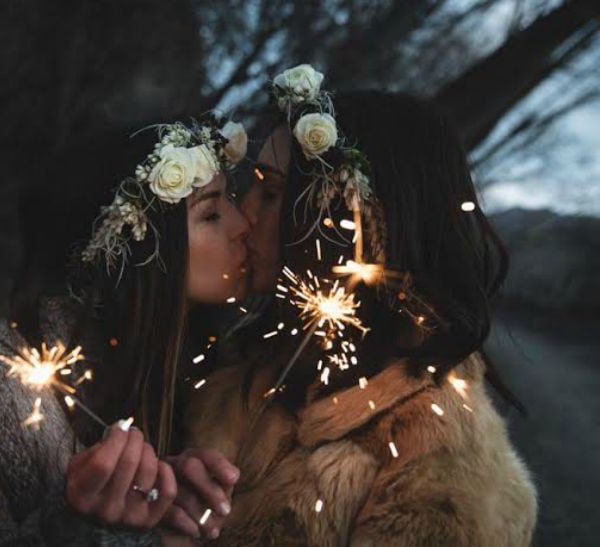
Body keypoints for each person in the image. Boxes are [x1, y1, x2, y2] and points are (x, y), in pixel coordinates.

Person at [182, 66, 537, 545]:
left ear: (348, 221)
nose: (243, 216)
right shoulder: (246, 361)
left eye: (270, 193)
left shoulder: (437, 458)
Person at [0, 118, 249, 545]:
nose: (243, 225)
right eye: (212, 213)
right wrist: (80, 528)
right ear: (133, 247)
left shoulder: (204, 375)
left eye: (234, 200)